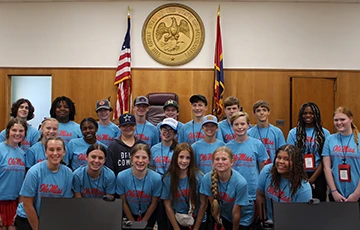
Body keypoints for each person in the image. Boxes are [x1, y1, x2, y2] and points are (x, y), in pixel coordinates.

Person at [14, 137, 73, 230]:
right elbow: (27, 204)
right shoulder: (34, 172)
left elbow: (64, 204)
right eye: (51, 149)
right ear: (45, 152)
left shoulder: (68, 173)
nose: (55, 153)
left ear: (64, 152)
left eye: (58, 149)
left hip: (50, 218)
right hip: (28, 217)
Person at [225, 112, 268, 225]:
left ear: (248, 125)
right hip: (234, 192)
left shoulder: (257, 144)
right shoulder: (227, 147)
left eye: (243, 124)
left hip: (253, 192)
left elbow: (262, 170)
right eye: (236, 124)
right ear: (232, 126)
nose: (240, 127)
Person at [257, 144, 312, 223]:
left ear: (295, 163)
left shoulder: (303, 188)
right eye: (279, 157)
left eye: (286, 159)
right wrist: (264, 220)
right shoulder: (267, 170)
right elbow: (260, 195)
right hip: (268, 222)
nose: (281, 162)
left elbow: (301, 218)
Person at [287, 102, 330, 201]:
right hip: (298, 173)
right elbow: (291, 156)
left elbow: (325, 159)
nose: (308, 115)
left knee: (318, 204)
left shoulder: (325, 133)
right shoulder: (294, 133)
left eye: (311, 113)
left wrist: (313, 178)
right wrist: (302, 176)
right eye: (305, 113)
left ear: (316, 115)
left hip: (318, 175)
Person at [200, 146, 251, 229]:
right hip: (223, 216)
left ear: (231, 162)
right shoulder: (207, 179)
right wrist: (220, 223)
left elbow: (236, 213)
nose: (220, 162)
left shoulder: (241, 183)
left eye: (224, 159)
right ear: (213, 162)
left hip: (242, 218)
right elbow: (214, 206)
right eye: (217, 159)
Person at [162, 143, 207, 230]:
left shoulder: (199, 176)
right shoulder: (168, 178)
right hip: (177, 220)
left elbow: (203, 204)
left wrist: (196, 228)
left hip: (197, 220)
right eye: (181, 157)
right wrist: (176, 228)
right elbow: (167, 204)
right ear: (176, 158)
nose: (184, 161)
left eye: (188, 158)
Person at [116, 143, 161, 229]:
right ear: (132, 158)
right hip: (129, 214)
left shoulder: (156, 178)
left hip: (148, 214)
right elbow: (123, 202)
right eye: (137, 157)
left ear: (149, 160)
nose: (140, 161)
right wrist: (133, 223)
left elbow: (154, 203)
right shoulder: (121, 176)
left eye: (144, 158)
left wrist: (143, 223)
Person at [322, 106, 360, 202]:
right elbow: (327, 168)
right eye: (336, 120)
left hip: (357, 192)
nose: (339, 123)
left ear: (350, 119)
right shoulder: (330, 139)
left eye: (342, 119)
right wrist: (334, 192)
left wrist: (356, 194)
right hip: (336, 193)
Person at [0, 118, 27, 230]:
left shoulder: (23, 153)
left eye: (21, 131)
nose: (17, 133)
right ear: (8, 131)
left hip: (14, 203)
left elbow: (22, 183)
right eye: (14, 130)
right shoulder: (1, 149)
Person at [248, 100, 286, 164]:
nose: (261, 113)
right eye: (258, 111)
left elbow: (282, 152)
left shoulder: (277, 132)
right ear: (254, 114)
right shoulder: (249, 133)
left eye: (264, 110)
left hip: (273, 167)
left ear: (269, 112)